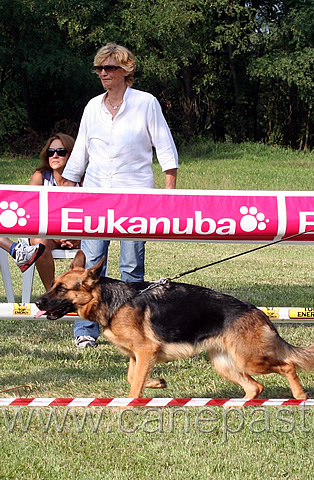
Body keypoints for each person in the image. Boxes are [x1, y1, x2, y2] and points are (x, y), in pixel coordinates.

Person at [61, 42, 179, 348]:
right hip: (95, 196)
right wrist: (66, 194)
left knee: (131, 266)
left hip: (134, 197)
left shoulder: (146, 103)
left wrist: (168, 189)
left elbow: (165, 146)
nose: (103, 73)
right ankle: (86, 331)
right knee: (90, 264)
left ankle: (130, 329)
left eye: (110, 68)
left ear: (126, 71)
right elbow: (80, 154)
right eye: (99, 68)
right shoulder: (92, 107)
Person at [24, 133, 81, 290]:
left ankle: (82, 295)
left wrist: (77, 236)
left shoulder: (83, 180)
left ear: (71, 155)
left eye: (61, 151)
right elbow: (28, 213)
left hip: (79, 234)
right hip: (48, 233)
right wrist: (55, 236)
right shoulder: (40, 177)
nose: (55, 155)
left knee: (95, 244)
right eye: (51, 152)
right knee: (39, 242)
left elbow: (93, 214)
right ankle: (52, 293)